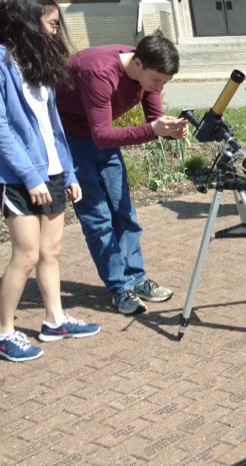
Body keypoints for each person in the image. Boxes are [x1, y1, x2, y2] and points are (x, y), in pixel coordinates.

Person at [56, 31, 187, 315]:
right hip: (72, 141)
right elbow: (102, 135)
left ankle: (137, 280)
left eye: (163, 83)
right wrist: (153, 131)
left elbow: (153, 120)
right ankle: (119, 288)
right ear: (137, 64)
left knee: (124, 212)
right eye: (156, 81)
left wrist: (170, 130)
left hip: (103, 138)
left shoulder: (148, 71)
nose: (157, 87)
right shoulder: (98, 72)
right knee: (98, 219)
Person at [0, 0, 101, 361]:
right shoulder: (2, 61)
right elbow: (3, 130)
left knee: (51, 252)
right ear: (27, 23)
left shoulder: (37, 66)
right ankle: (4, 331)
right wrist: (29, 177)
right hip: (19, 178)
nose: (56, 30)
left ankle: (54, 321)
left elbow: (53, 126)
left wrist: (69, 172)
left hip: (55, 171)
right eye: (51, 24)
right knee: (26, 255)